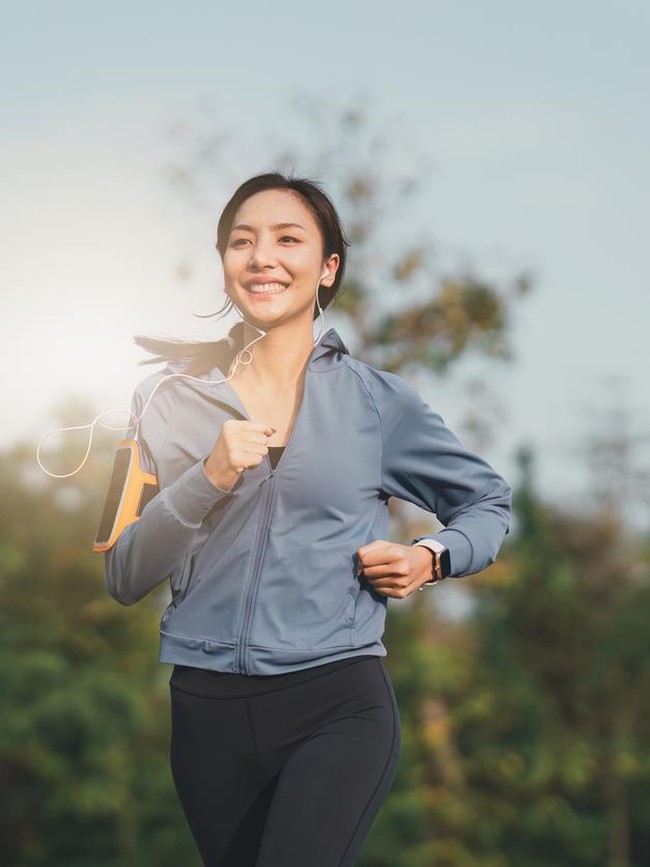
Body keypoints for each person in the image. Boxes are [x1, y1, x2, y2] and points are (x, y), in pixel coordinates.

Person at [103, 172, 512, 867]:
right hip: (205, 713)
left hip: (336, 701)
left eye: (288, 240)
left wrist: (433, 555)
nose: (263, 256)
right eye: (242, 241)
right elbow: (123, 569)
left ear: (327, 268)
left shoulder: (378, 402)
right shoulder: (160, 402)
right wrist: (207, 479)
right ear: (225, 262)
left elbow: (488, 502)